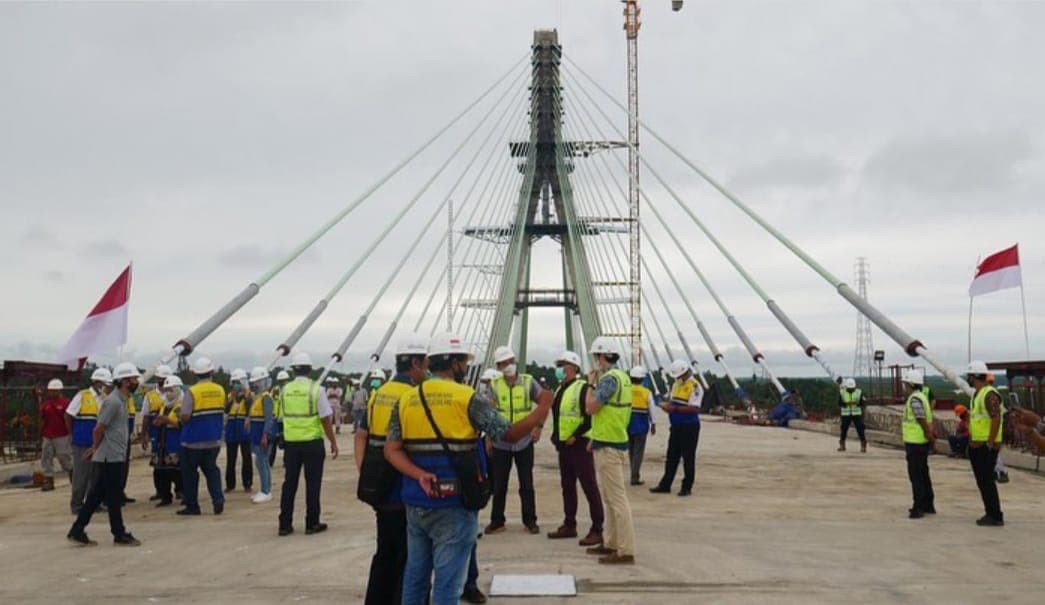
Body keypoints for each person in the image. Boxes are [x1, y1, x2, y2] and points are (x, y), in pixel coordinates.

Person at [383, 332, 551, 605]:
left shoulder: (407, 399)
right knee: (448, 587)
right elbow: (505, 434)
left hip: (415, 500)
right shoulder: (466, 397)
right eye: (464, 361)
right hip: (454, 502)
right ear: (455, 363)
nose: (466, 367)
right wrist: (541, 410)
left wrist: (420, 475)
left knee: (415, 578)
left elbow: (392, 449)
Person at [356, 334, 427, 605]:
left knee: (384, 552)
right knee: (409, 558)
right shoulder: (413, 397)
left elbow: (361, 434)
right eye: (425, 363)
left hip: (379, 488)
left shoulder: (379, 394)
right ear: (415, 364)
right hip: (404, 488)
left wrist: (364, 469)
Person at [66, 362, 142, 547]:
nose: (136, 381)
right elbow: (99, 428)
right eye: (133, 378)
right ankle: (119, 533)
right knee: (113, 496)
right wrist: (94, 447)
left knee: (96, 495)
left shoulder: (121, 400)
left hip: (114, 454)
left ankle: (77, 529)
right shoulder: (113, 401)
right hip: (110, 456)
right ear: (124, 381)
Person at [484, 345, 552, 535]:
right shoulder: (494, 385)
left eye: (509, 361)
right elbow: (488, 415)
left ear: (514, 361)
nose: (507, 365)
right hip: (501, 442)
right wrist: (489, 439)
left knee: (526, 484)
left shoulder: (529, 382)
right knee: (499, 484)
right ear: (498, 366)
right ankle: (497, 521)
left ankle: (530, 521)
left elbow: (544, 404)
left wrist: (538, 427)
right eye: (503, 363)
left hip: (524, 441)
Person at [582, 336, 636, 565]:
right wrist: (594, 437)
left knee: (617, 500)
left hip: (610, 447)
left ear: (603, 356)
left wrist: (590, 384)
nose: (595, 361)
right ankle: (612, 542)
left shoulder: (608, 380)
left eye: (596, 357)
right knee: (611, 499)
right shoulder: (623, 377)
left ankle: (625, 550)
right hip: (613, 440)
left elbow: (591, 407)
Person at [277, 352, 339, 536]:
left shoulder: (285, 390)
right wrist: (333, 442)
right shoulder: (316, 390)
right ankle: (312, 523)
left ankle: (284, 524)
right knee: (313, 484)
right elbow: (325, 419)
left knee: (289, 483)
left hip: (291, 443)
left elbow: (281, 417)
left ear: (293, 370)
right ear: (310, 369)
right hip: (312, 442)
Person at [547, 350, 603, 547]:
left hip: (579, 445)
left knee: (589, 486)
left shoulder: (583, 388)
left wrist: (576, 436)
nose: (559, 369)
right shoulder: (559, 389)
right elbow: (558, 416)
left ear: (573, 368)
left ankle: (598, 528)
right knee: (567, 486)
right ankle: (569, 524)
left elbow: (589, 417)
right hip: (564, 446)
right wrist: (556, 436)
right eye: (558, 365)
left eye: (563, 365)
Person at [178, 356, 227, 516]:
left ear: (195, 373)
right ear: (211, 371)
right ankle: (218, 499)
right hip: (213, 439)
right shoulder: (220, 390)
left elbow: (185, 416)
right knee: (212, 470)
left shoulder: (191, 392)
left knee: (190, 474)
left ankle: (193, 506)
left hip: (192, 441)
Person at [650, 359, 702, 497]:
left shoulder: (695, 386)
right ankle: (665, 484)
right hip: (676, 425)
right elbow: (673, 401)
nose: (678, 378)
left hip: (689, 426)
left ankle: (686, 487)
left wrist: (674, 409)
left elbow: (694, 407)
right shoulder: (675, 385)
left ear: (685, 373)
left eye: (679, 376)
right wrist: (666, 406)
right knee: (671, 456)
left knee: (688, 457)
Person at [65, 368, 113, 514]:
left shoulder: (106, 399)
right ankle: (77, 504)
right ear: (96, 382)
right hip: (82, 442)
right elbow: (68, 415)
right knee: (81, 474)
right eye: (104, 384)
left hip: (99, 443)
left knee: (96, 475)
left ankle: (93, 503)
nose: (106, 387)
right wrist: (71, 434)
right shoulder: (82, 396)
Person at [963, 361, 1005, 526]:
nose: (968, 379)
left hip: (985, 447)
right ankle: (991, 512)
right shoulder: (978, 394)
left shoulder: (989, 394)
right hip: (977, 446)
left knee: (986, 481)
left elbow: (996, 418)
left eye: (969, 376)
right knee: (983, 481)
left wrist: (990, 441)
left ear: (974, 376)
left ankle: (995, 515)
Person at [901, 370, 935, 519]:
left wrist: (928, 433)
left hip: (915, 442)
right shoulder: (922, 396)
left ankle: (918, 507)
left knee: (916, 476)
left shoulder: (914, 399)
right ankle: (928, 504)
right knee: (923, 474)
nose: (904, 387)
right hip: (921, 442)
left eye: (905, 384)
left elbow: (920, 418)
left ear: (910, 384)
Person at [152, 375, 185, 506]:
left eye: (170, 389)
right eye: (166, 390)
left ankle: (182, 492)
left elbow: (181, 424)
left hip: (175, 441)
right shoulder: (164, 405)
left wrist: (167, 420)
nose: (168, 393)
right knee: (162, 471)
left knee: (177, 471)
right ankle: (165, 496)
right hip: (163, 441)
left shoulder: (182, 404)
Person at [141, 364, 172, 502]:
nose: (162, 381)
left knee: (174, 461)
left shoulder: (176, 393)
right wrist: (144, 434)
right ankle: (160, 491)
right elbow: (146, 416)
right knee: (157, 463)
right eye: (160, 378)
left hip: (171, 433)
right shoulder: (150, 396)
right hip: (156, 433)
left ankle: (179, 490)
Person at [246, 367, 276, 503]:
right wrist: (248, 419)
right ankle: (265, 489)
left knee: (262, 461)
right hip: (256, 431)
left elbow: (269, 418)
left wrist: (265, 435)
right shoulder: (258, 397)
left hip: (262, 433)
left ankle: (266, 490)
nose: (254, 385)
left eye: (257, 382)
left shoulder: (266, 398)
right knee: (262, 462)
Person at [38, 378, 73, 492]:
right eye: (50, 390)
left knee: (64, 457)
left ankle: (73, 473)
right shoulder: (46, 404)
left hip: (62, 435)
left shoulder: (66, 403)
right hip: (48, 435)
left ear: (59, 390)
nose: (52, 393)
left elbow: (70, 418)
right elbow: (42, 419)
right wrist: (41, 433)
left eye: (54, 390)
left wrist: (71, 433)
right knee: (46, 457)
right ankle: (48, 479)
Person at [224, 368, 253, 494]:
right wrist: (232, 400)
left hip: (243, 428)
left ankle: (247, 483)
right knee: (231, 458)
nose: (235, 385)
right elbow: (225, 410)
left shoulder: (249, 395)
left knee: (246, 457)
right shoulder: (230, 396)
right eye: (233, 382)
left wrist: (244, 396)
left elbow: (249, 408)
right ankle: (230, 484)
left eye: (237, 382)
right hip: (231, 428)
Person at [626, 365, 656, 486]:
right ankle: (634, 476)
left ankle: (633, 473)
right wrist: (653, 424)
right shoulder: (647, 392)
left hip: (627, 423)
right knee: (639, 451)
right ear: (642, 379)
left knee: (631, 451)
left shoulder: (626, 390)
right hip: (641, 424)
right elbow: (652, 409)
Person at [837, 377, 867, 453]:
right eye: (849, 388)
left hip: (856, 414)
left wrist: (857, 403)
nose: (851, 390)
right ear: (846, 387)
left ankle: (863, 445)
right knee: (844, 430)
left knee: (860, 429)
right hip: (846, 414)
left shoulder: (859, 392)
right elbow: (840, 403)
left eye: (852, 388)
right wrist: (846, 404)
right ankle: (842, 444)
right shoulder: (842, 392)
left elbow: (863, 402)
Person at [269, 369, 290, 467]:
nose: (283, 382)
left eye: (284, 380)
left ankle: (286, 462)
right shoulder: (274, 390)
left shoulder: (290, 390)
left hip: (286, 419)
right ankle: (270, 462)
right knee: (273, 441)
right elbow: (269, 401)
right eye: (281, 381)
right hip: (275, 419)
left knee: (287, 441)